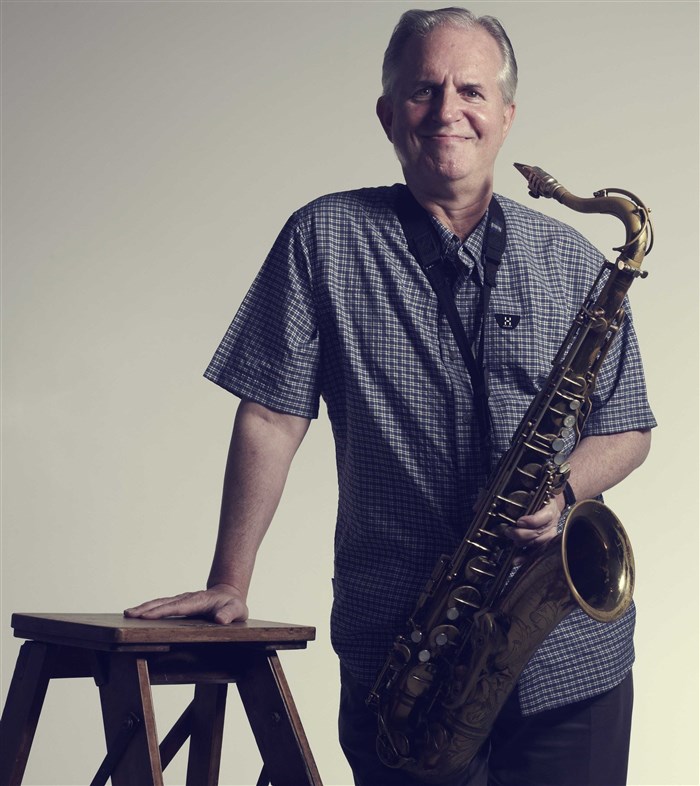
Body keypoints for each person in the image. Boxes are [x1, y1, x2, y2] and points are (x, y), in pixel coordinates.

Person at [125, 8, 655, 785]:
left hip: (569, 661)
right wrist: (230, 581)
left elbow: (628, 428)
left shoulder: (576, 260)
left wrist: (565, 487)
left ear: (507, 116)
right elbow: (270, 416)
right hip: (408, 665)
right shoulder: (323, 239)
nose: (447, 111)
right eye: (423, 89)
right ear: (387, 115)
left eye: (472, 91)